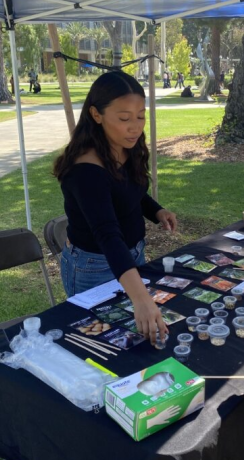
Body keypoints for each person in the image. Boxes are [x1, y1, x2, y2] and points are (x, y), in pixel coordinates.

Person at [53, 71, 177, 344]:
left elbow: (130, 192)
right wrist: (142, 298)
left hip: (131, 256)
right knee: (101, 340)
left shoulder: (125, 146)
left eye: (140, 116)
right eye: (124, 118)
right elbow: (107, 233)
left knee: (133, 336)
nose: (135, 127)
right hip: (94, 265)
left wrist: (156, 211)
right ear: (97, 115)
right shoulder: (85, 170)